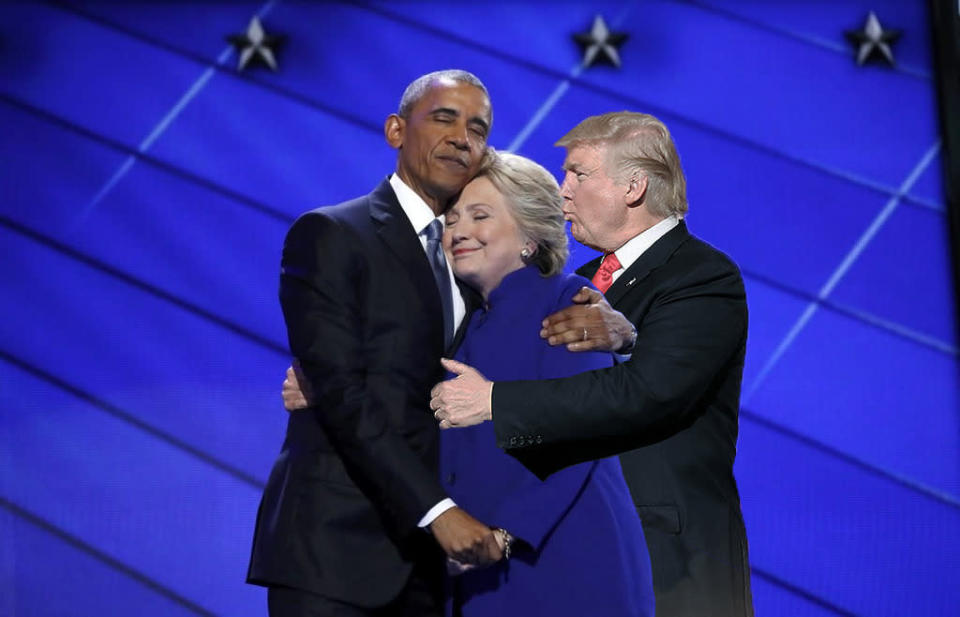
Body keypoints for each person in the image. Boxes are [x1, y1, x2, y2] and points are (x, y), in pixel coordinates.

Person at [431, 112, 754, 617]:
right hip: (566, 552)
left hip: (670, 558)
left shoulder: (702, 275)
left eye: (578, 174)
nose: (563, 192)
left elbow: (650, 394)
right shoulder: (571, 284)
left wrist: (494, 399)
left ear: (634, 186)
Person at [247, 70, 505, 617]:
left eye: (478, 129)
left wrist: (606, 321)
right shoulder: (332, 235)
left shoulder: (478, 263)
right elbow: (340, 389)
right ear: (395, 130)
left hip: (434, 569)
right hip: (333, 555)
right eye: (444, 118)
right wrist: (438, 510)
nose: (462, 136)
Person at [438, 151, 654, 616]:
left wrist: (504, 533)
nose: (458, 231)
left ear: (530, 237)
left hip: (561, 566)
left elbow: (581, 432)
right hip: (479, 577)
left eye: (480, 215)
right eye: (451, 219)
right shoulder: (461, 322)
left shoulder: (569, 304)